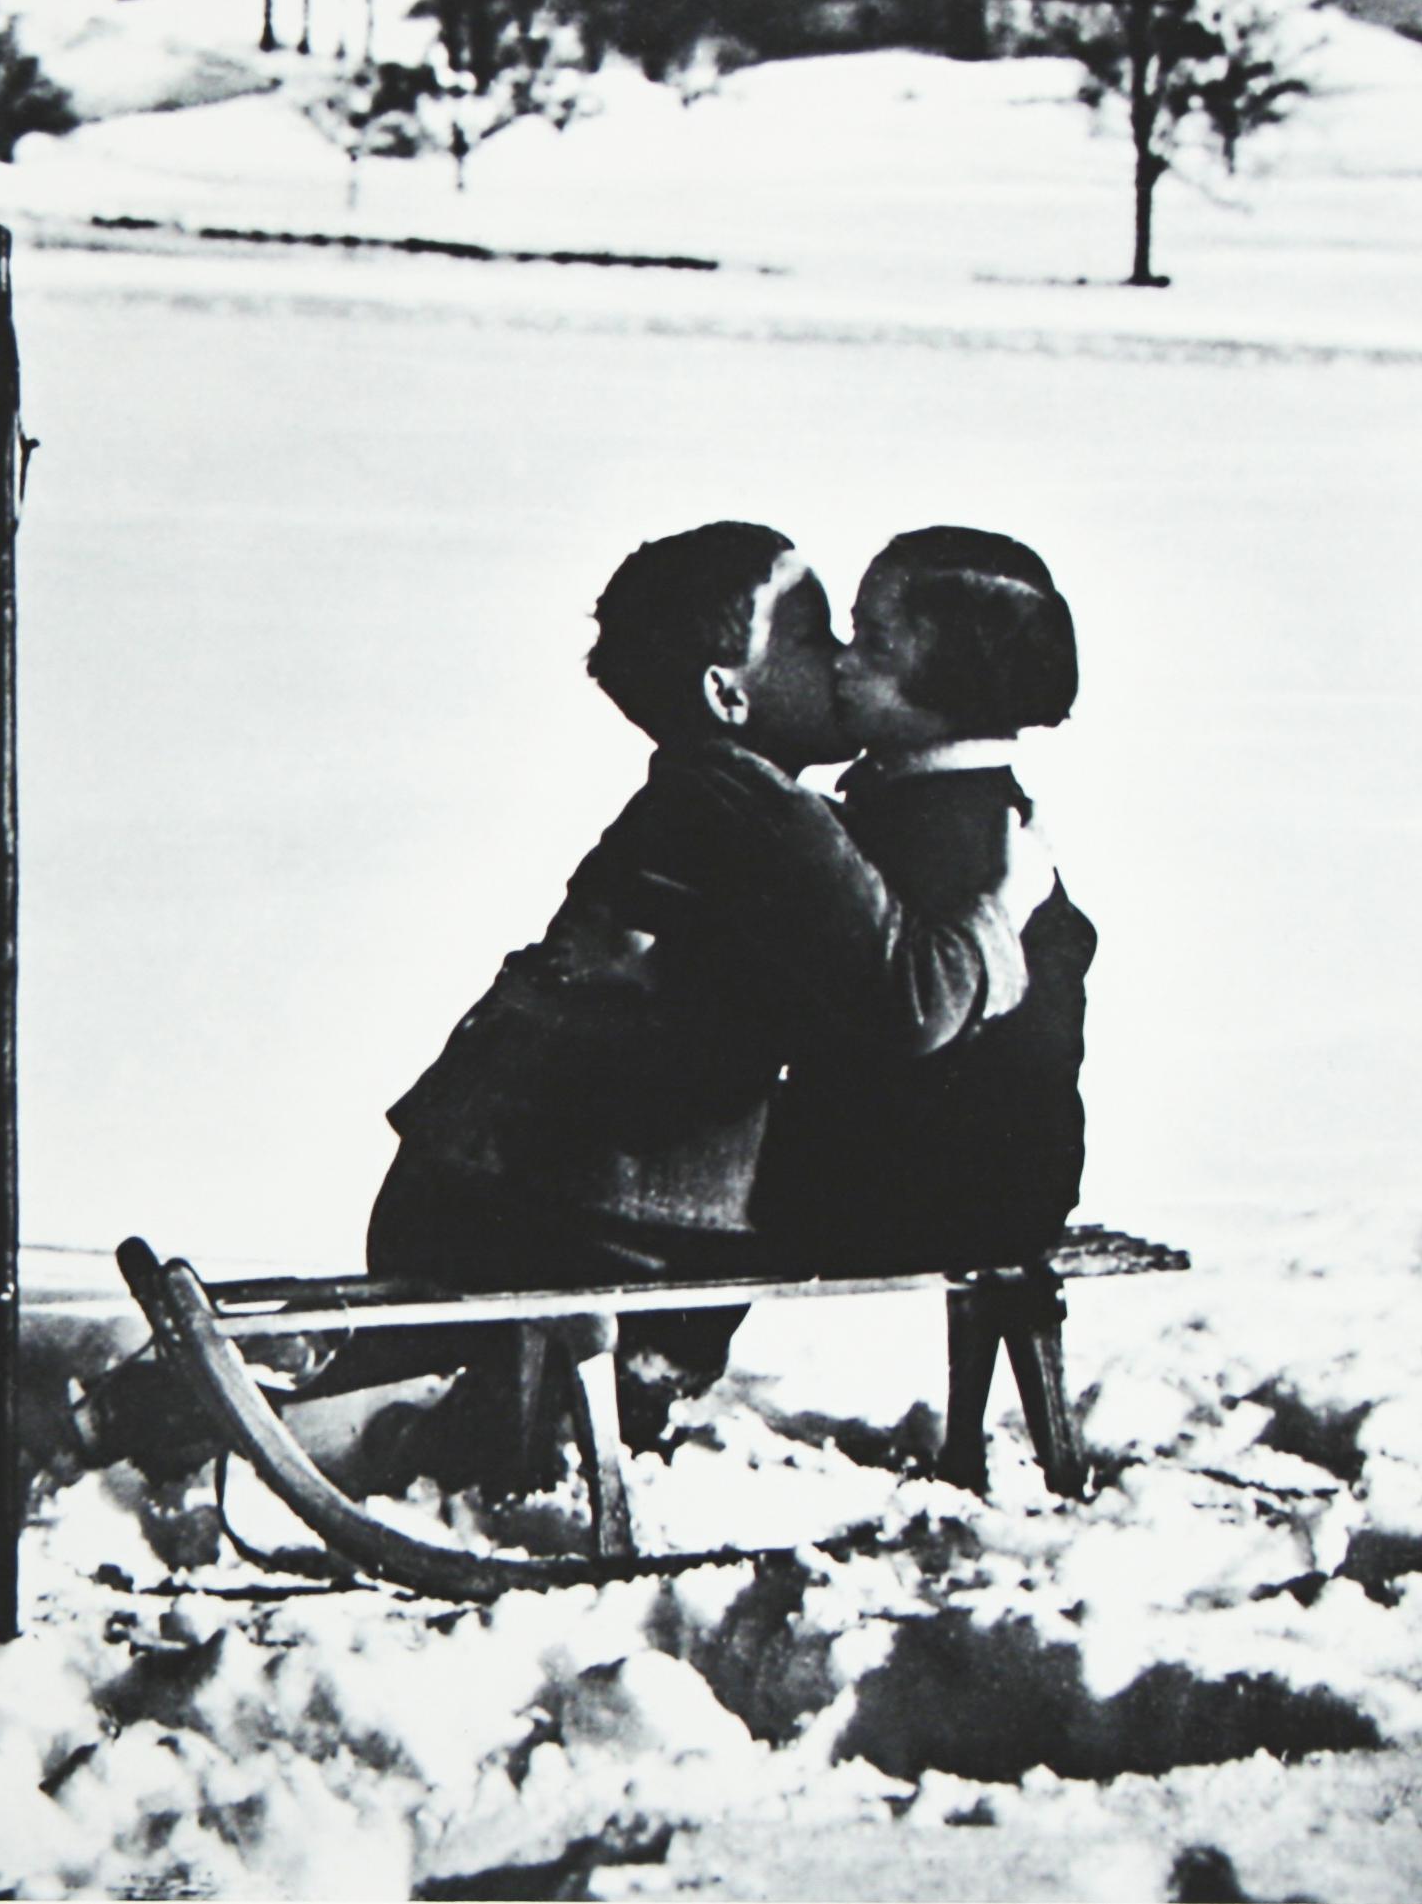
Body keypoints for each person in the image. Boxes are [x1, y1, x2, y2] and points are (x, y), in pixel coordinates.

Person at [345, 520, 1054, 1479]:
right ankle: (421, 1432)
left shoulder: (701, 792)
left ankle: (371, 1415)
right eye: (809, 638)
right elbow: (906, 999)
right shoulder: (761, 811)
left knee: (429, 1354)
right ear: (727, 693)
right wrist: (998, 912)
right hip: (591, 1199)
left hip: (491, 1167)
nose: (843, 658)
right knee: (592, 1370)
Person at [749, 527, 1095, 1277]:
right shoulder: (986, 806)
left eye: (875, 645)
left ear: (953, 678)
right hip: (1014, 1195)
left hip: (907, 1195)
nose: (841, 659)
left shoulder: (924, 826)